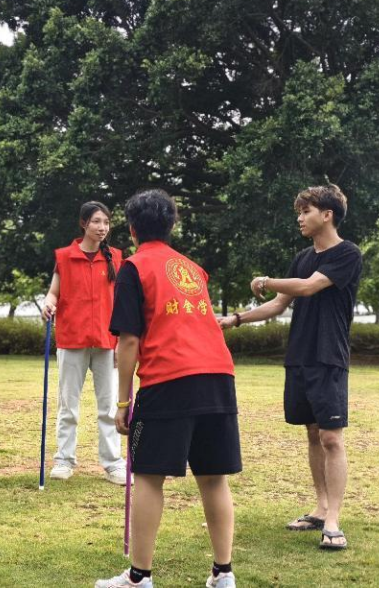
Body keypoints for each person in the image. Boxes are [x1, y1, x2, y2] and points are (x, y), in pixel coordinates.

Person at [96, 189, 240, 589]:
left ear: (131, 229)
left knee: (147, 476)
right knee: (213, 477)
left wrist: (122, 401)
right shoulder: (194, 269)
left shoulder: (133, 268)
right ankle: (223, 573)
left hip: (169, 379)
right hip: (218, 377)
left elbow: (128, 340)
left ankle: (139, 577)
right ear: (172, 225)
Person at [218, 184, 361, 550]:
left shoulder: (347, 253)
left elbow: (309, 287)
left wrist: (265, 281)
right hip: (299, 356)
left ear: (327, 214)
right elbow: (279, 304)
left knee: (331, 438)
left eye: (305, 211)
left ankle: (334, 520)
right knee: (312, 434)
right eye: (299, 212)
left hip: (328, 357)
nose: (300, 218)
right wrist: (236, 319)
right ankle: (320, 507)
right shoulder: (302, 257)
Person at [42, 201, 126, 485]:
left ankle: (113, 463)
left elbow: (123, 302)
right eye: (96, 221)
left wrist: (121, 341)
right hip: (72, 339)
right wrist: (48, 304)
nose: (102, 227)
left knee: (109, 407)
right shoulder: (65, 257)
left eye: (106, 222)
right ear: (83, 223)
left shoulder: (116, 257)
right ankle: (64, 460)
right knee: (68, 406)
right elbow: (53, 293)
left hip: (107, 341)